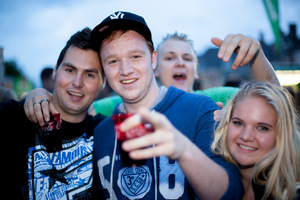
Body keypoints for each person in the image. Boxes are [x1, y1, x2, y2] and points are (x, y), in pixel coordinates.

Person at [90, 11, 243, 199]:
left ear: (153, 59)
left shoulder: (200, 109)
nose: (125, 70)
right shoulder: (100, 132)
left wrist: (182, 149)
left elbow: (231, 194)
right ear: (104, 69)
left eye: (135, 56)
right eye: (113, 61)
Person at [0, 28, 106, 199]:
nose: (77, 83)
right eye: (70, 70)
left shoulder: (107, 132)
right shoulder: (14, 117)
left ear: (103, 83)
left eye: (89, 74)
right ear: (56, 70)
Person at [89, 31, 279, 117]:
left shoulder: (216, 98)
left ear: (196, 72)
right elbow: (85, 110)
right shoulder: (128, 105)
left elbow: (275, 101)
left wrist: (257, 56)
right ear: (154, 66)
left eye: (187, 58)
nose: (180, 62)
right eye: (170, 58)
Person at [211, 82, 300, 200]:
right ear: (226, 125)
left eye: (262, 128)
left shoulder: (292, 193)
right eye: (238, 123)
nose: (246, 136)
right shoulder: (207, 179)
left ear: (281, 135)